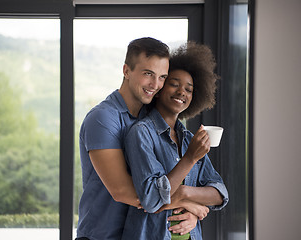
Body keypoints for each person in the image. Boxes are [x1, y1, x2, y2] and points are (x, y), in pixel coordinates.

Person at [122, 42, 229, 240]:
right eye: (174, 84)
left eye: (189, 89)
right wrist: (190, 158)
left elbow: (219, 194)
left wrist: (186, 195)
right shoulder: (141, 133)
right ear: (160, 88)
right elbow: (151, 199)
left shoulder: (189, 139)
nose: (182, 92)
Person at [76, 37, 170, 240]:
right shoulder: (102, 118)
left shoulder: (152, 118)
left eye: (162, 77)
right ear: (126, 71)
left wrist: (190, 211)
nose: (155, 85)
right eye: (148, 74)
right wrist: (188, 201)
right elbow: (122, 191)